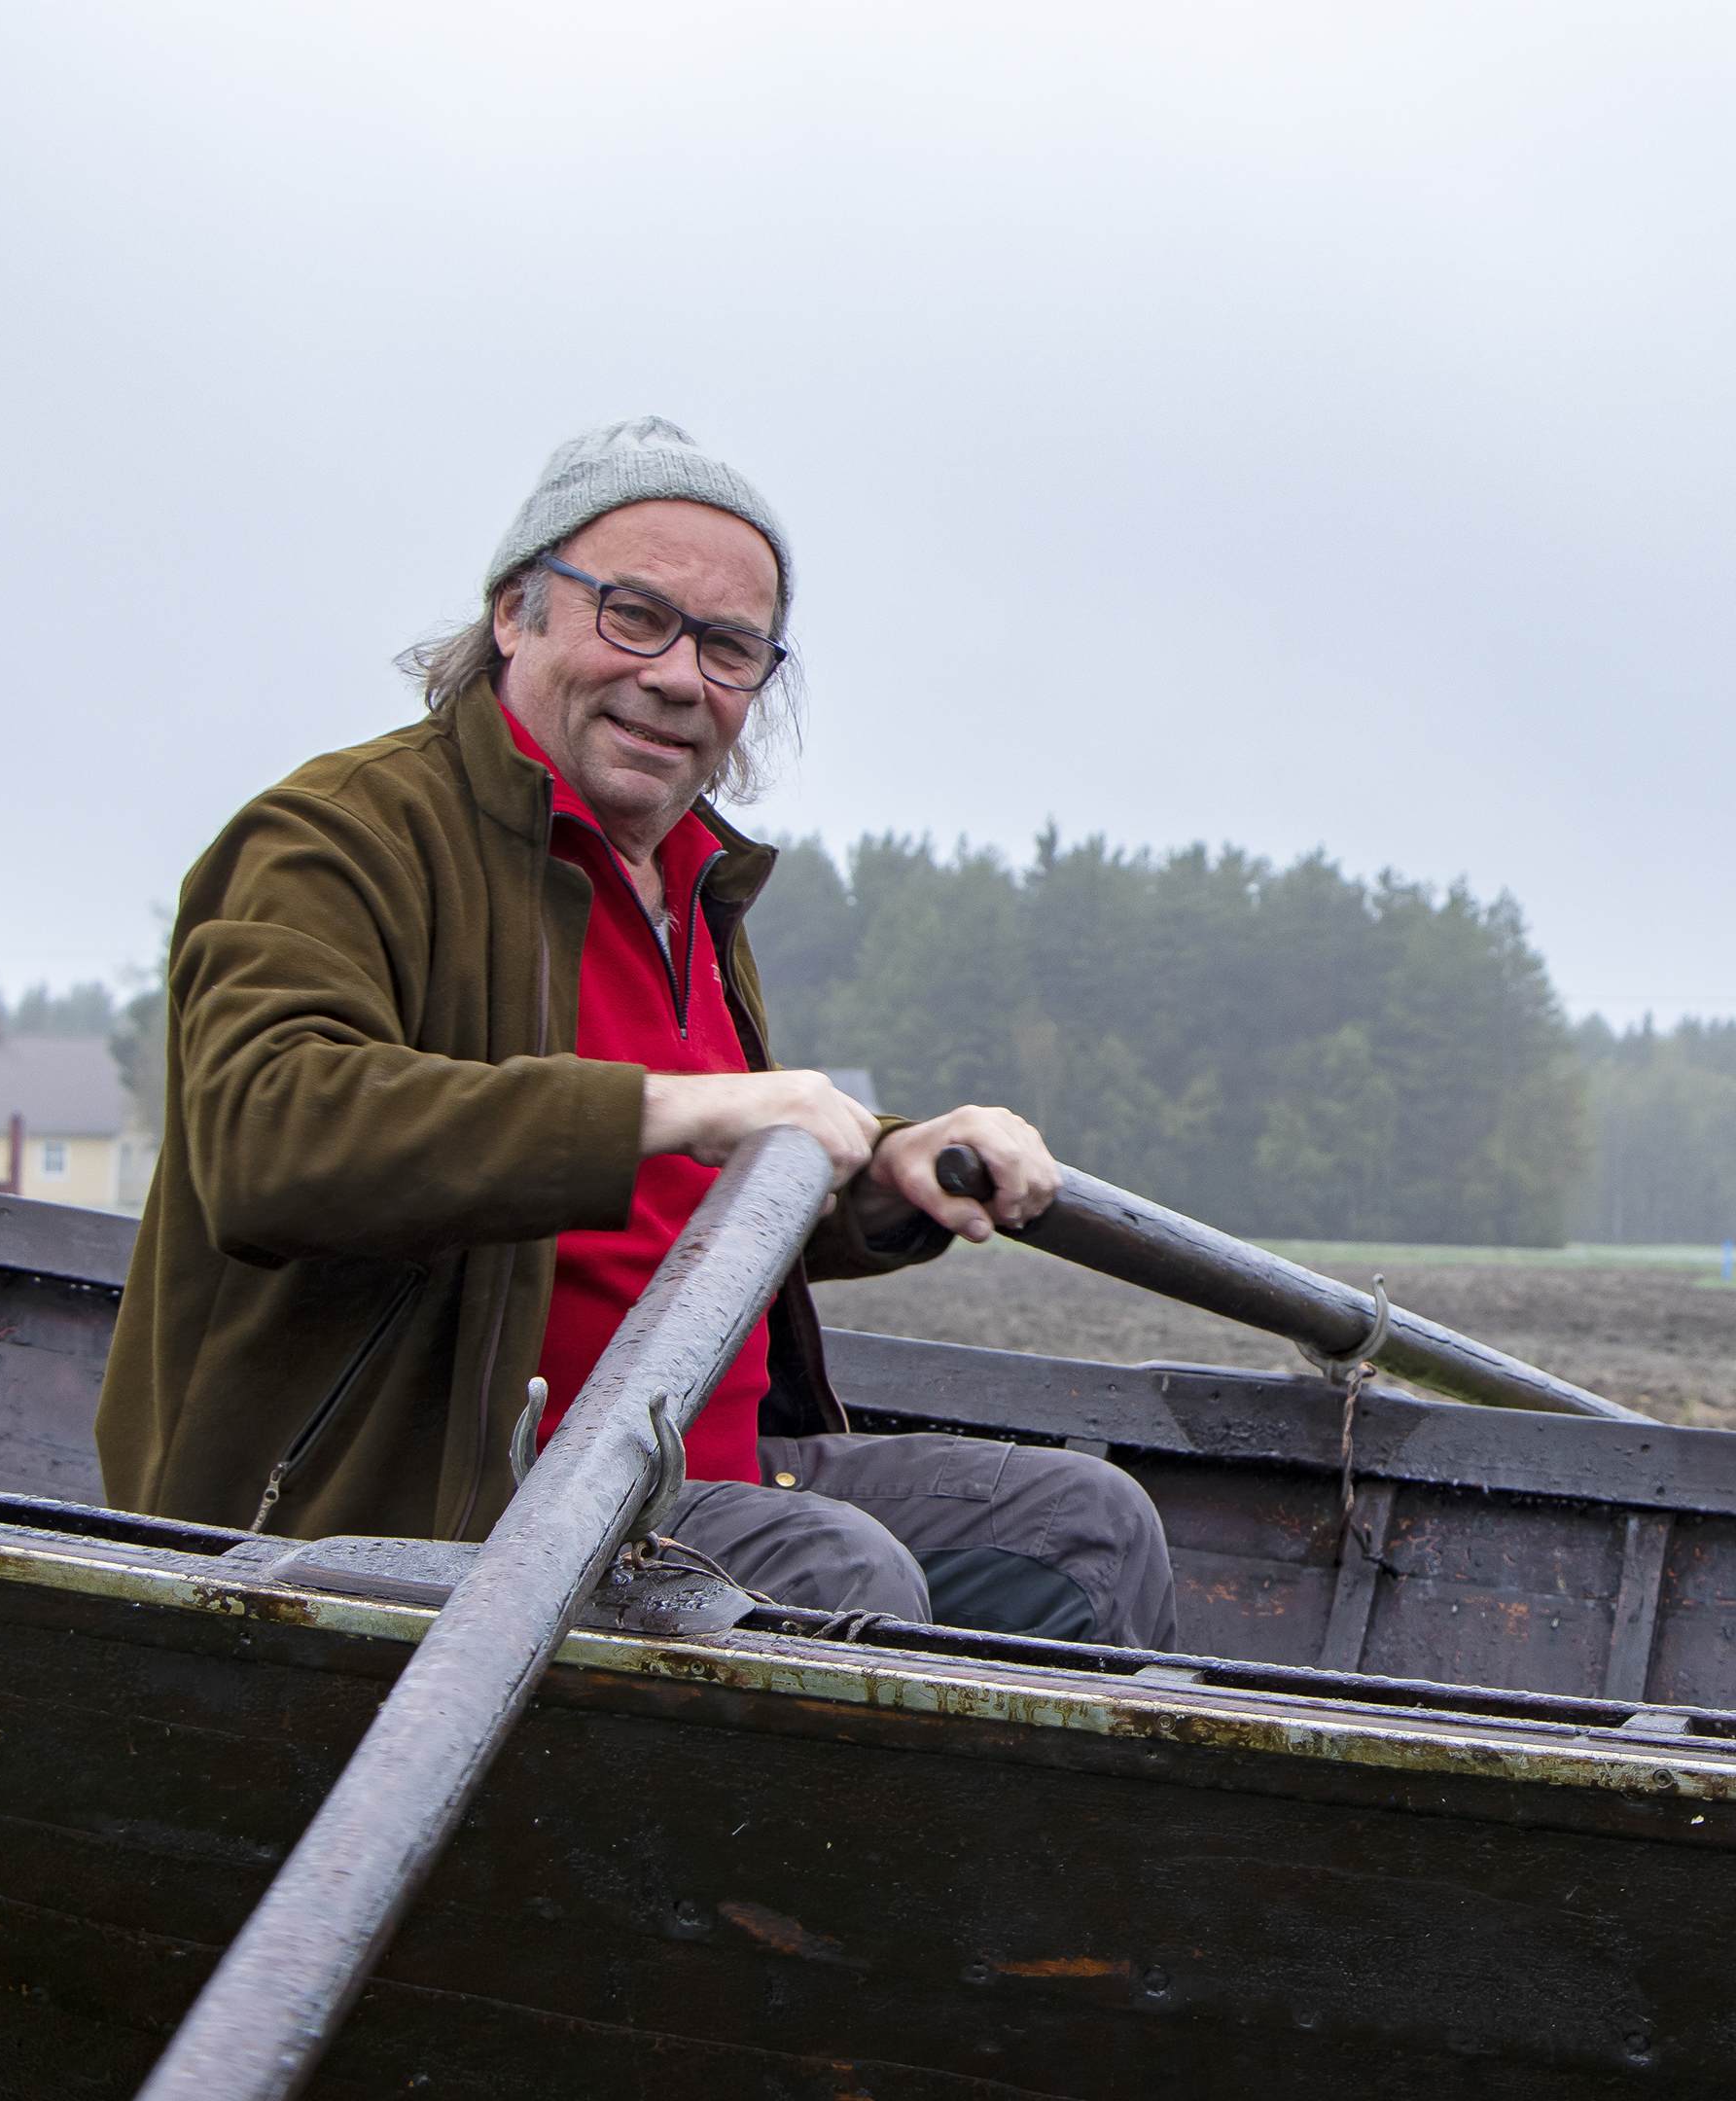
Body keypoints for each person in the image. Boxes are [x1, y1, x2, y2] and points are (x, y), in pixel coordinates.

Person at [96, 417, 1175, 1649]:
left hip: (691, 1478)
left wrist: (889, 1166)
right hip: (436, 1502)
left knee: (1087, 1526)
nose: (678, 677)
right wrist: (683, 1102)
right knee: (830, 1572)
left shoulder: (688, 883)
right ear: (516, 611)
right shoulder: (337, 835)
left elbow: (685, 1194)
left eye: (729, 647)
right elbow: (269, 1138)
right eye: (635, 614)